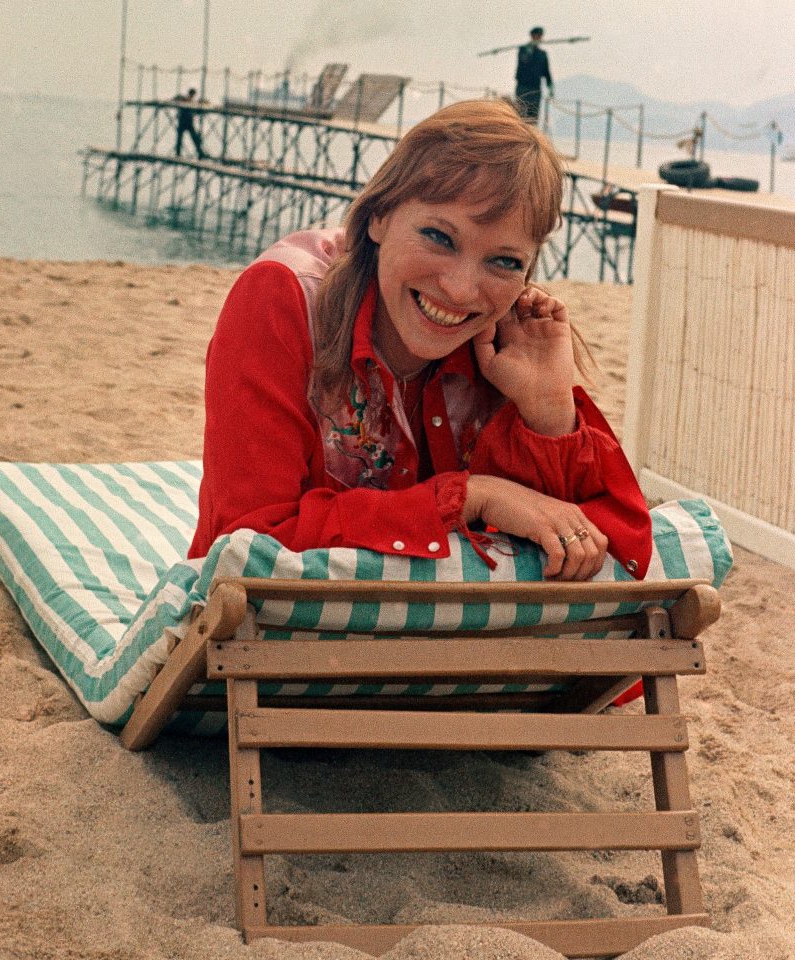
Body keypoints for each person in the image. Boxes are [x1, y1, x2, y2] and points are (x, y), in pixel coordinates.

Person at [189, 99, 651, 583]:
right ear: (379, 215)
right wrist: (471, 497)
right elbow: (245, 543)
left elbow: (618, 542)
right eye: (438, 236)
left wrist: (550, 412)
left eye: (505, 262)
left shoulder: (507, 340)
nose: (459, 290)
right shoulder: (283, 300)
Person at [514, 26, 553, 124]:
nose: (538, 38)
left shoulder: (542, 54)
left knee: (533, 116)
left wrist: (550, 86)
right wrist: (529, 50)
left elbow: (546, 72)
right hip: (523, 88)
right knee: (521, 114)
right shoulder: (523, 50)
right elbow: (523, 61)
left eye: (540, 36)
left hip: (535, 89)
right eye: (536, 36)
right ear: (532, 36)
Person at [173, 88, 206, 159]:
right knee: (188, 138)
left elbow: (194, 111)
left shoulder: (190, 101)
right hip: (185, 122)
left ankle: (199, 152)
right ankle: (199, 152)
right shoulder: (186, 100)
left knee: (191, 138)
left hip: (186, 122)